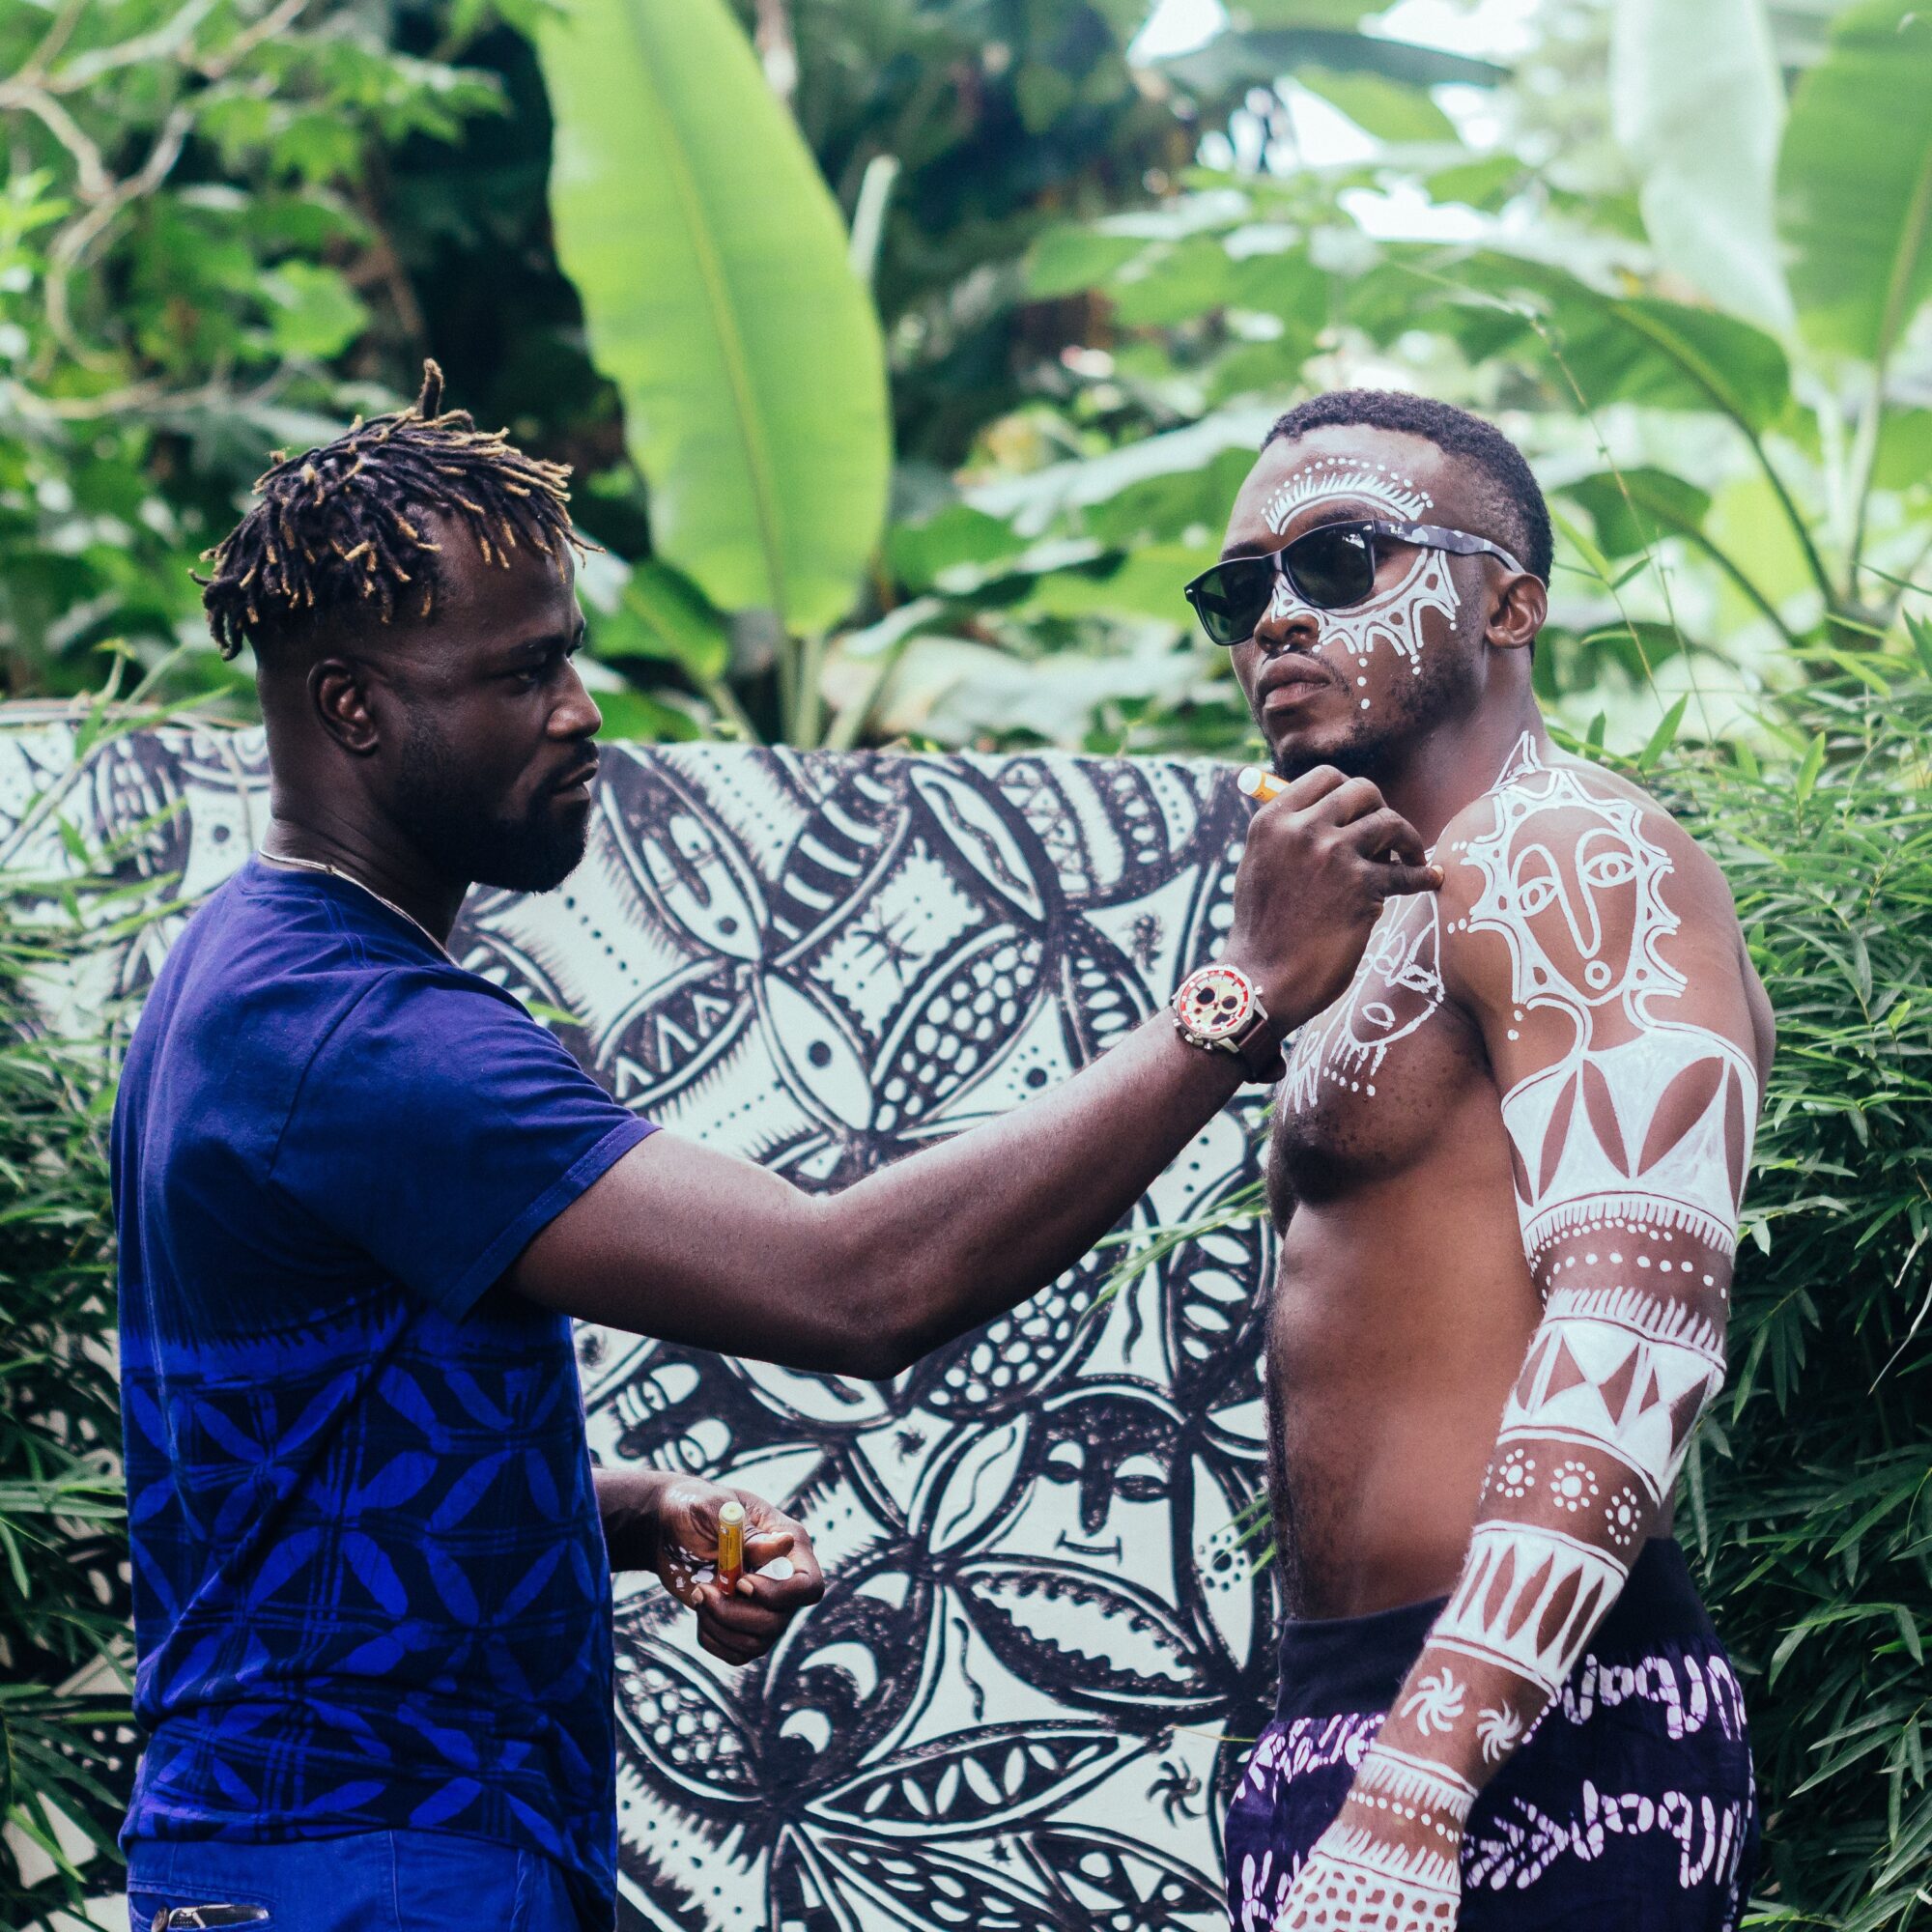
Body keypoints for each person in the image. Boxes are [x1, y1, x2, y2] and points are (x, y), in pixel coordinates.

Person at [113, 365, 1437, 1932]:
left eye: (570, 656)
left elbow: (302, 1447)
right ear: (354, 709)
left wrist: (637, 1512)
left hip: (333, 1856)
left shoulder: (254, 972)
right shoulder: (358, 1036)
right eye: (522, 673)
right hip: (362, 1870)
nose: (579, 710)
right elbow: (853, 1287)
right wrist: (1239, 999)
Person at [1181, 391, 1775, 1932]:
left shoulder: (1572, 854)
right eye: (1240, 590)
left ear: (1510, 605)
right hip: (1349, 1716)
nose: (1276, 619)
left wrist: (1420, 1783)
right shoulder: (1374, 919)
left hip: (1532, 1731)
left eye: (1341, 560)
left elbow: (1636, 1326)